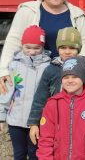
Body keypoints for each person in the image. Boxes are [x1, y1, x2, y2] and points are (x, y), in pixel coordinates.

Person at [0, 0, 85, 94]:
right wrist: (4, 70)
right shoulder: (27, 11)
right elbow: (13, 40)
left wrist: (81, 66)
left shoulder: (76, 14)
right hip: (32, 74)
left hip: (65, 75)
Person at [27, 27, 85, 146]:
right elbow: (40, 97)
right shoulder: (51, 69)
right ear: (58, 48)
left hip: (80, 120)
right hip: (56, 120)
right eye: (63, 48)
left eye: (72, 48)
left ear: (78, 49)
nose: (67, 52)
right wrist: (34, 123)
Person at [37, 57, 85, 159]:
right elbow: (45, 139)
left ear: (83, 78)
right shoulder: (53, 104)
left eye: (74, 77)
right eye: (66, 77)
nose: (70, 81)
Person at [0, 26, 51, 160]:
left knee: (35, 153)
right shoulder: (14, 65)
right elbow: (6, 92)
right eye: (27, 47)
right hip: (16, 120)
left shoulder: (48, 67)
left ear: (43, 47)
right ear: (22, 45)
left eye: (37, 48)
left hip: (38, 121)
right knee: (19, 153)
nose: (32, 52)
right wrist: (1, 115)